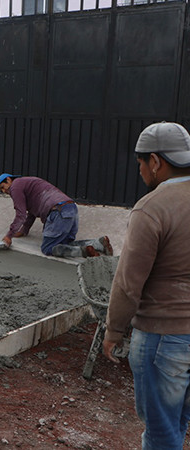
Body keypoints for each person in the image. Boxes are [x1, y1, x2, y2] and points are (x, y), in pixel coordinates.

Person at [102, 122, 190, 449]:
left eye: (140, 163)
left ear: (156, 161)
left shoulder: (152, 207)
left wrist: (113, 331)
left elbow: (128, 283)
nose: (139, 170)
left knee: (160, 434)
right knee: (178, 421)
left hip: (163, 337)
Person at [0, 173, 113, 257]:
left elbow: (21, 214)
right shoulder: (27, 184)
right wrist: (23, 230)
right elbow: (31, 213)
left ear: (8, 180)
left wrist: (9, 236)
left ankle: (84, 252)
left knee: (48, 248)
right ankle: (98, 243)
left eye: (3, 187)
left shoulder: (15, 186)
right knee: (63, 244)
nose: (4, 191)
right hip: (71, 208)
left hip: (57, 211)